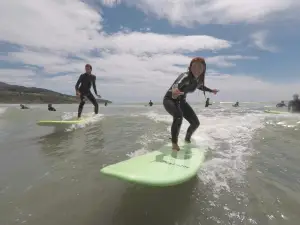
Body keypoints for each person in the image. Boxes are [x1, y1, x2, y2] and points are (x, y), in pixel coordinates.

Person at [163, 57, 219, 151]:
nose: (197, 69)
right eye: (194, 66)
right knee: (178, 116)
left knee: (195, 123)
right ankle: (174, 143)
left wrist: (211, 91)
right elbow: (177, 84)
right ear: (190, 67)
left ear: (204, 69)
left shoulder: (198, 80)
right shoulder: (185, 76)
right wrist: (175, 90)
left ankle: (187, 140)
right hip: (170, 99)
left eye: (200, 67)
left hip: (182, 102)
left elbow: (200, 86)